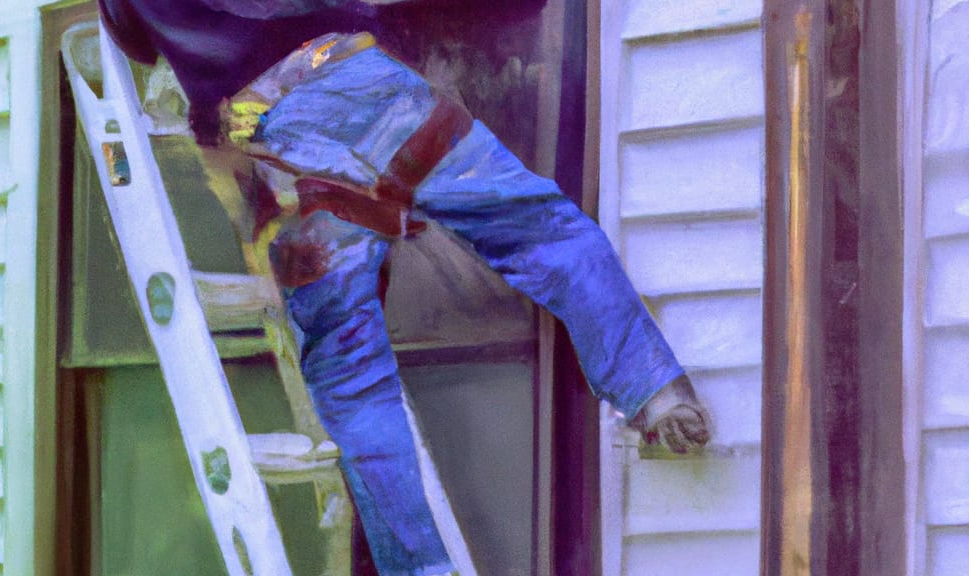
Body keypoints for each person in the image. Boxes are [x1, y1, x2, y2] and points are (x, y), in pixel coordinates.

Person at [99, 1, 711, 574]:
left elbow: (135, 43)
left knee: (349, 373)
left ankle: (421, 568)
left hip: (271, 138)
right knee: (535, 226)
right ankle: (654, 388)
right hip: (357, 79)